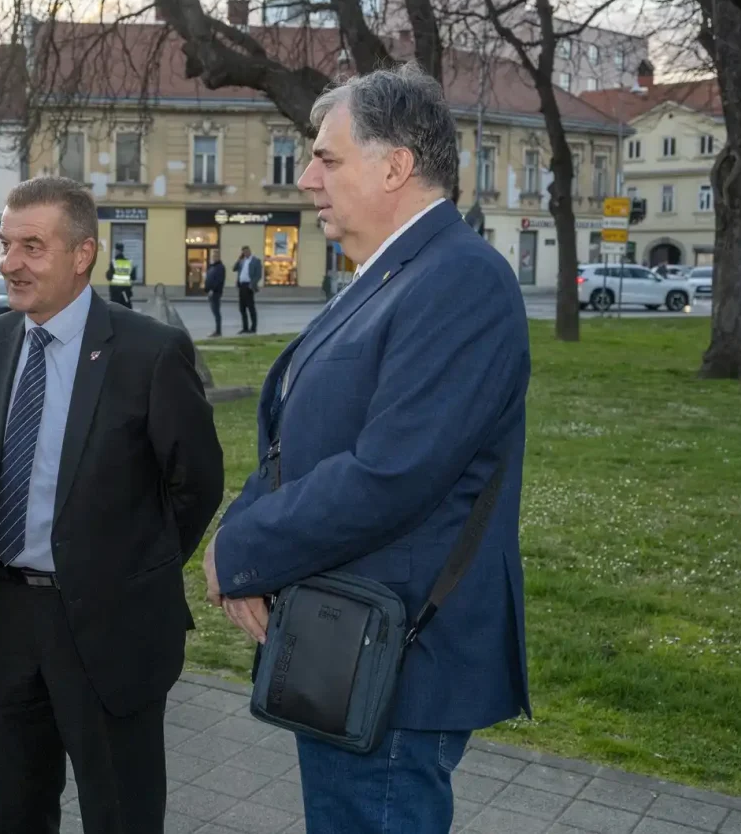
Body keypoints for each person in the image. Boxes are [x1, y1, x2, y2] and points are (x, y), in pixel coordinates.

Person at [204, 63, 531, 833]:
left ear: (396, 166)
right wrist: (239, 539)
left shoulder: (460, 280)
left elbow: (393, 473)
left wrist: (244, 548)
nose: (309, 179)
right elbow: (298, 443)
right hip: (349, 646)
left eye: (328, 158)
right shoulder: (388, 276)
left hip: (396, 662)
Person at [0, 175, 224, 834]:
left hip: (108, 625)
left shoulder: (149, 353)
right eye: (6, 244)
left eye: (32, 247)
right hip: (5, 620)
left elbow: (197, 483)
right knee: (15, 813)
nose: (9, 263)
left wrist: (134, 572)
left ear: (82, 255)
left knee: (120, 813)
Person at [233, 245, 260, 333]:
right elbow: (234, 268)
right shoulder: (242, 261)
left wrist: (252, 284)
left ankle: (253, 328)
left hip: (249, 286)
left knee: (251, 307)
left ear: (250, 251)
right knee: (242, 308)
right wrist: (239, 258)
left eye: (247, 251)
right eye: (244, 252)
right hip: (241, 286)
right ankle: (245, 327)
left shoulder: (255, 261)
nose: (246, 253)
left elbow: (258, 274)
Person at [106, 242, 134, 308]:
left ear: (117, 251)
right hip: (125, 292)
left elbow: (109, 276)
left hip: (116, 292)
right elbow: (132, 276)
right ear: (122, 250)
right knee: (127, 309)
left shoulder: (114, 263)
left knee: (114, 310)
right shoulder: (127, 262)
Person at [205, 252, 226, 336]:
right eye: (213, 256)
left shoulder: (220, 267)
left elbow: (219, 280)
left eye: (216, 256)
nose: (214, 257)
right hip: (210, 292)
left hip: (215, 292)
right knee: (214, 311)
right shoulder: (212, 267)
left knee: (216, 311)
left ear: (219, 257)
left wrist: (213, 289)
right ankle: (217, 330)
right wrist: (206, 289)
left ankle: (218, 331)